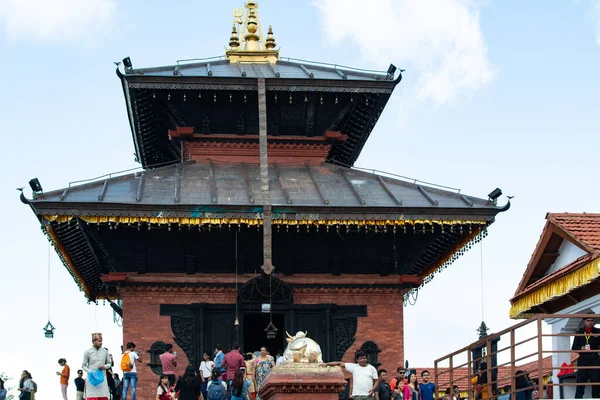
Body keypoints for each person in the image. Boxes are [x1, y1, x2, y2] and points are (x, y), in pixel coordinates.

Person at [572, 314, 600, 398]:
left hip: (595, 358)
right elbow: (574, 347)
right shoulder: (579, 332)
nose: (590, 322)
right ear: (584, 322)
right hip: (583, 359)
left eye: (592, 320)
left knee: (596, 381)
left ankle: (596, 399)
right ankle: (578, 399)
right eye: (588, 320)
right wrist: (581, 348)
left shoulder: (598, 331)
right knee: (580, 382)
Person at [82, 332, 112, 400]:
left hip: (102, 378)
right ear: (94, 341)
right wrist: (90, 372)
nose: (101, 343)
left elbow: (109, 363)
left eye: (101, 341)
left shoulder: (105, 351)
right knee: (92, 397)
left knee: (103, 397)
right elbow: (83, 365)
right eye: (99, 341)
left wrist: (104, 367)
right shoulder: (87, 352)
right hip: (92, 378)